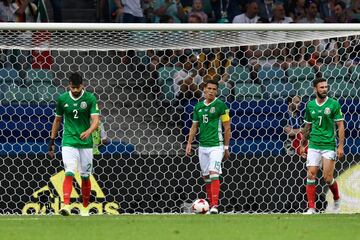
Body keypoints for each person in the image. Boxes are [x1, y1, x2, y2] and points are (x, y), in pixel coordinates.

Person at [48, 72, 100, 216]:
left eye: (78, 88)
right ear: (69, 85)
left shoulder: (90, 98)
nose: (75, 91)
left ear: (82, 85)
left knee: (85, 176)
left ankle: (84, 208)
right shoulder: (62, 99)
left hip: (86, 143)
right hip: (69, 141)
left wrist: (89, 131)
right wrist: (51, 141)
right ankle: (66, 205)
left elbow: (96, 119)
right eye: (73, 88)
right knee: (69, 171)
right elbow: (57, 120)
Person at [185, 79, 231, 214]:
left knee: (214, 173)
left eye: (214, 89)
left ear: (216, 91)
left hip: (216, 146)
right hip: (202, 147)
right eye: (209, 88)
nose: (211, 91)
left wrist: (226, 148)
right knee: (206, 177)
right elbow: (194, 127)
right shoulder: (198, 106)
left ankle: (214, 205)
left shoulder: (221, 105)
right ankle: (210, 205)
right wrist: (189, 143)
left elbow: (227, 127)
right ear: (204, 89)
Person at [300, 78, 345, 214]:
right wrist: (303, 144)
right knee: (311, 174)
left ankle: (337, 199)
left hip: (328, 144)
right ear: (315, 89)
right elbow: (307, 126)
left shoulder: (333, 104)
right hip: (313, 144)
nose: (325, 89)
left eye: (326, 87)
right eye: (322, 87)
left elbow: (340, 125)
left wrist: (340, 146)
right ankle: (311, 208)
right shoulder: (310, 105)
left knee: (327, 178)